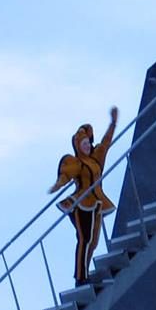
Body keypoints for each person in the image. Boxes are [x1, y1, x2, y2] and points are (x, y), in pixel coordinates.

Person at [48, 106, 119, 286]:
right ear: (78, 147)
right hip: (81, 204)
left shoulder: (96, 158)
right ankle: (80, 277)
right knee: (84, 238)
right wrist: (58, 184)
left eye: (88, 143)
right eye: (83, 144)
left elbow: (105, 143)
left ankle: (84, 273)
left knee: (93, 241)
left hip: (96, 203)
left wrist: (113, 124)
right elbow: (66, 174)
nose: (87, 146)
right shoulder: (77, 162)